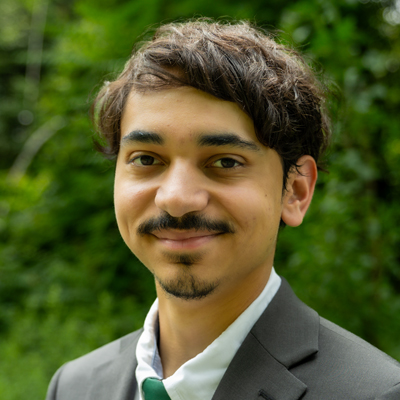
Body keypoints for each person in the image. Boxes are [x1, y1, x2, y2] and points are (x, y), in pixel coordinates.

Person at [46, 19, 400, 400]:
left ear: (295, 191)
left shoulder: (376, 392)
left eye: (225, 162)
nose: (176, 198)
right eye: (147, 159)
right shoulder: (75, 386)